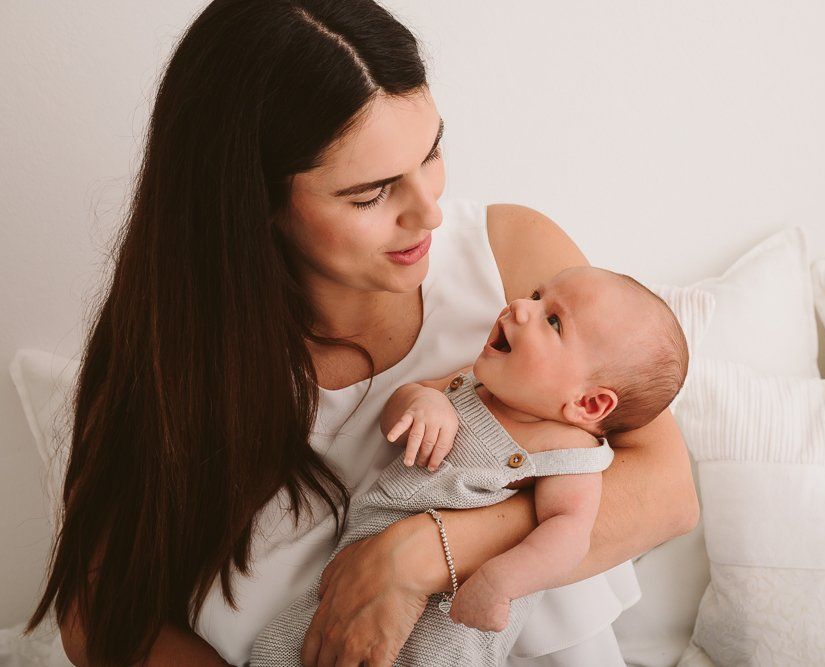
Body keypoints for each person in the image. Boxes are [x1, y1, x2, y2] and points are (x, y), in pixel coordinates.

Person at [24, 2, 699, 666]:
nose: (429, 213)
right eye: (371, 193)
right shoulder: (174, 354)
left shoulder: (515, 261)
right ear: (254, 202)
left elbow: (666, 492)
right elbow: (100, 616)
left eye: (431, 154)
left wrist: (417, 555)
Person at [249, 266, 689, 666]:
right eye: (537, 295)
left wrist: (501, 581)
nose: (521, 307)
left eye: (553, 321)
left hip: (449, 625)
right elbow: (396, 419)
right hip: (351, 578)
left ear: (589, 404)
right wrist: (422, 401)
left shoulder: (569, 451)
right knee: (291, 649)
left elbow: (568, 535)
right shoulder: (471, 382)